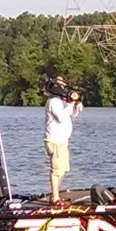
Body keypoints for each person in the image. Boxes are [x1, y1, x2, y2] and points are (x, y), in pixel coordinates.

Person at [44, 76, 83, 205]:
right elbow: (60, 117)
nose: (64, 87)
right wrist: (71, 103)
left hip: (62, 141)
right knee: (56, 170)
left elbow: (74, 113)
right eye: (61, 85)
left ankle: (56, 195)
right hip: (55, 140)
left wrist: (76, 102)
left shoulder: (62, 101)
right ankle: (55, 197)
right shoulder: (53, 102)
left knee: (62, 169)